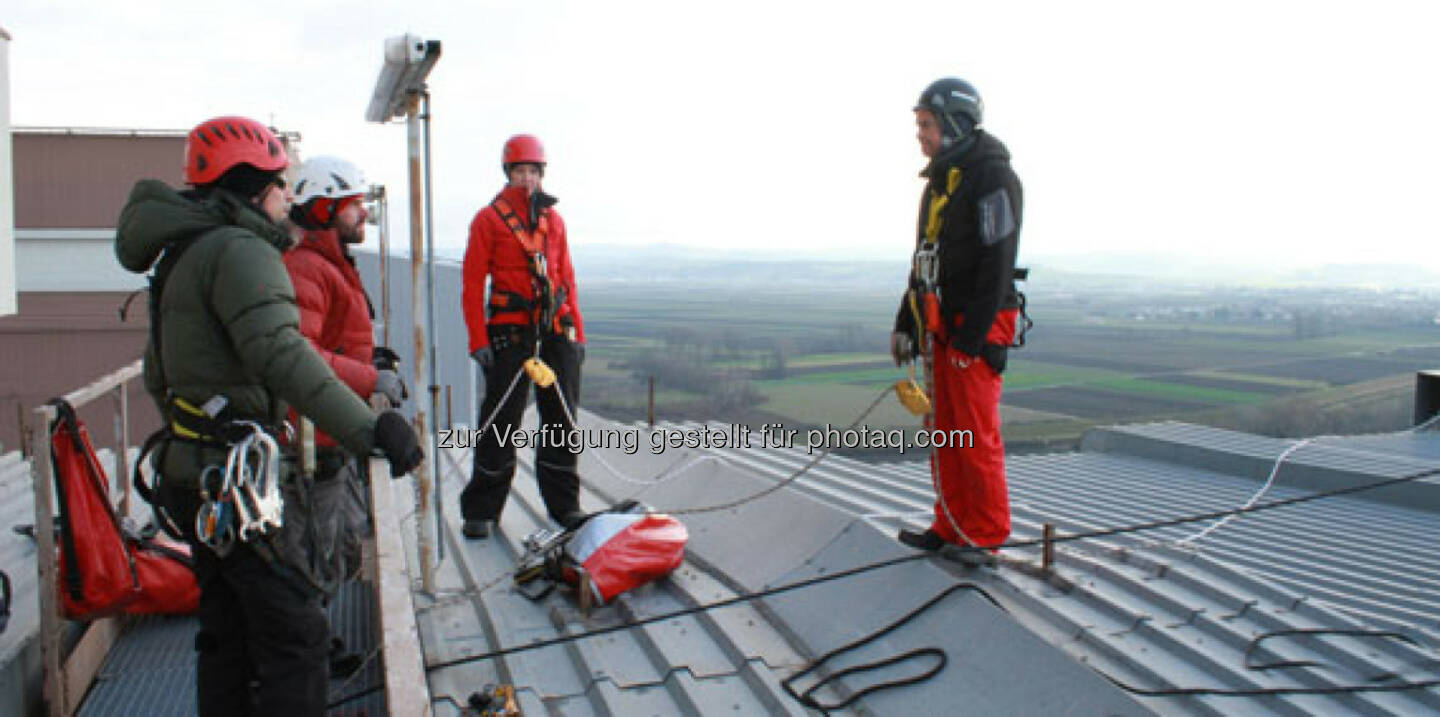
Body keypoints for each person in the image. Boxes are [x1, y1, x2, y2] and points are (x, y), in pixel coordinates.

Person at [115, 115, 423, 716]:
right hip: (234, 481)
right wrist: (370, 429)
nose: (290, 194)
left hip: (193, 471)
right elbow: (285, 355)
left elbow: (158, 371)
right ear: (255, 187)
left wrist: (202, 429)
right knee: (296, 638)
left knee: (226, 635)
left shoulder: (187, 250)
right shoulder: (242, 252)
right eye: (282, 183)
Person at [891, 79, 1024, 552]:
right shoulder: (941, 183)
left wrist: (971, 339)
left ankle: (983, 534)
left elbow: (998, 260)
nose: (920, 135)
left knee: (973, 432)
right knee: (946, 430)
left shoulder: (992, 179)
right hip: (940, 318)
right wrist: (905, 323)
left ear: (952, 125)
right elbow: (923, 257)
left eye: (926, 125)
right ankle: (950, 526)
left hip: (977, 321)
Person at [283, 155, 405, 593]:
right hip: (314, 442)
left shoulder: (328, 265)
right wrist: (371, 380)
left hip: (335, 435)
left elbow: (333, 340)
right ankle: (318, 651)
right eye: (354, 205)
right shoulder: (306, 269)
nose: (365, 213)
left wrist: (371, 362)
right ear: (324, 210)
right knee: (318, 555)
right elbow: (302, 354)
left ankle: (326, 643)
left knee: (343, 543)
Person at [460, 133, 586, 539]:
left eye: (534, 171)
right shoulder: (488, 219)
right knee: (501, 420)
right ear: (508, 172)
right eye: (520, 171)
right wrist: (477, 339)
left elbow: (567, 278)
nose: (528, 179)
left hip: (554, 329)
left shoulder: (555, 221)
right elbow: (472, 282)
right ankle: (481, 510)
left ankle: (565, 506)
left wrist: (577, 335)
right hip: (510, 333)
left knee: (561, 421)